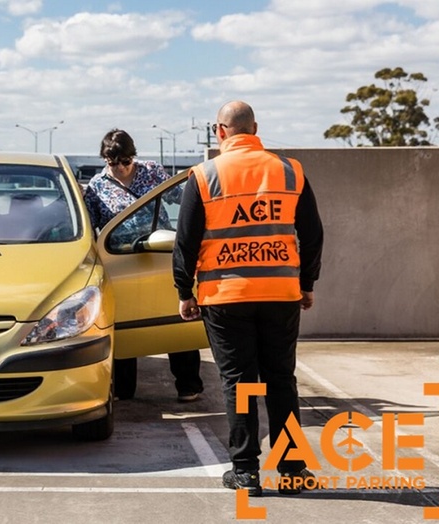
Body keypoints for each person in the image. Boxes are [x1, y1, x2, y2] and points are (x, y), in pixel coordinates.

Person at [172, 101, 324, 496]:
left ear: (219, 131)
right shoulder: (289, 171)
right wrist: (306, 282)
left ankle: (245, 472)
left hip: (226, 296)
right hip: (280, 293)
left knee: (239, 382)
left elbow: (185, 241)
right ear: (255, 127)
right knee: (280, 380)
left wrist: (183, 291)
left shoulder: (205, 176)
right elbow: (312, 233)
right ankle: (291, 469)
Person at [84, 128, 204, 402]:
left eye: (125, 161)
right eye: (112, 163)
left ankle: (188, 383)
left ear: (133, 157)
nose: (119, 168)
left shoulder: (152, 171)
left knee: (175, 316)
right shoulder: (97, 186)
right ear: (105, 160)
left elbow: (183, 199)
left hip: (159, 253)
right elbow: (90, 226)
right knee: (125, 321)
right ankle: (124, 389)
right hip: (121, 259)